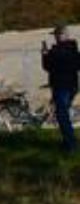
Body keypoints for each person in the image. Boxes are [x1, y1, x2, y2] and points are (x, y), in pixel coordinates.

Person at [42, 25, 78, 153]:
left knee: (62, 115)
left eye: (58, 35)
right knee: (63, 114)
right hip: (71, 86)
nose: (56, 37)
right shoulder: (73, 49)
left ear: (64, 35)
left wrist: (45, 55)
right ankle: (68, 141)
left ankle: (70, 144)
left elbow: (48, 66)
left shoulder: (58, 51)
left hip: (62, 86)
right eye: (55, 35)